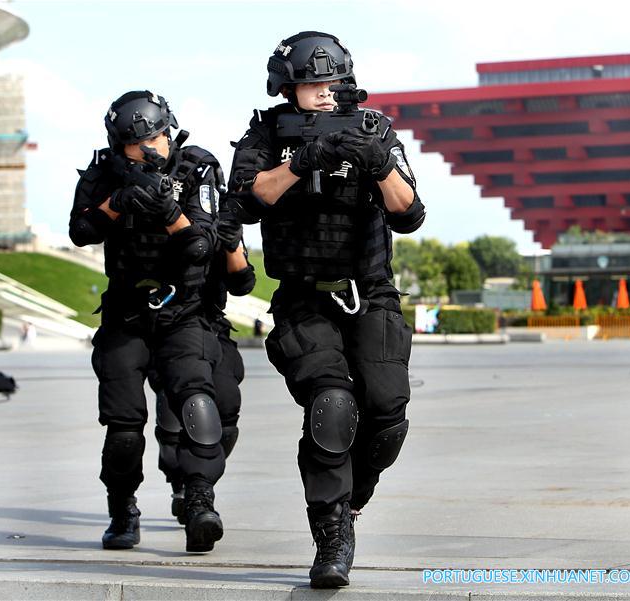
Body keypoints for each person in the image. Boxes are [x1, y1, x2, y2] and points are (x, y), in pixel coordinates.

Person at [227, 32, 426, 588]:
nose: (322, 92)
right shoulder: (267, 134)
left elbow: (410, 214)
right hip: (303, 297)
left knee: (387, 414)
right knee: (332, 404)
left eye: (331, 82)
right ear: (287, 86)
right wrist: (305, 160)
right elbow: (242, 201)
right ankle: (331, 533)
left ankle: (353, 496)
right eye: (311, 83)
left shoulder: (374, 128)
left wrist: (377, 161)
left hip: (370, 292)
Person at [69, 90, 228, 553]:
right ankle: (123, 509)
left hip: (185, 310)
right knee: (122, 426)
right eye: (139, 143)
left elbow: (202, 245)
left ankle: (199, 501)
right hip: (127, 311)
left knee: (198, 404)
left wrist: (168, 212)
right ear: (120, 146)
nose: (152, 148)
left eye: (158, 136)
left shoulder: (196, 167)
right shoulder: (104, 172)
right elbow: (81, 231)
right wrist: (119, 201)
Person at [151, 201, 255, 522]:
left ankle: (199, 482)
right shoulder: (159, 211)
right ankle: (191, 491)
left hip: (212, 322)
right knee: (187, 406)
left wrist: (232, 241)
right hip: (171, 320)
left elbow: (243, 284)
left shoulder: (222, 218)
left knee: (226, 410)